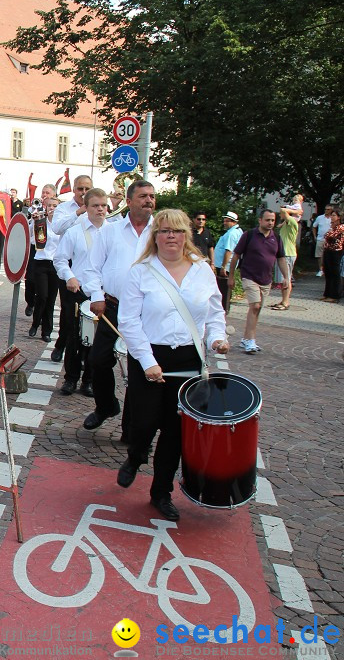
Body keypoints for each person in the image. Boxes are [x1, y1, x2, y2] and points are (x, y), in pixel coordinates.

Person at [117, 209, 229, 522]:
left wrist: (217, 338)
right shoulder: (141, 271)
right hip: (149, 355)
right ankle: (136, 455)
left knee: (175, 430)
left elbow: (214, 312)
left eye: (177, 231)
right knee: (142, 423)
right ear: (155, 237)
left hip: (188, 359)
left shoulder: (201, 270)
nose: (170, 237)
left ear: (186, 235)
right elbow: (128, 320)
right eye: (164, 231)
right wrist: (148, 361)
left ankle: (161, 491)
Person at [80, 180, 156, 431]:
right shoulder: (111, 231)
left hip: (147, 311)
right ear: (130, 201)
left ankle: (133, 427)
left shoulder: (161, 231)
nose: (149, 200)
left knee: (139, 366)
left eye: (152, 196)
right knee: (98, 360)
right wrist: (96, 296)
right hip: (113, 306)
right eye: (143, 196)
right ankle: (106, 406)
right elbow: (92, 268)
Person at [53, 188, 109, 396]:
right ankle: (71, 378)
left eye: (103, 205)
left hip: (103, 294)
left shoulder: (112, 232)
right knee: (74, 336)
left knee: (97, 341)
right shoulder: (75, 232)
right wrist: (70, 277)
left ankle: (89, 380)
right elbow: (59, 259)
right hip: (78, 291)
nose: (100, 209)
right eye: (95, 205)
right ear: (86, 207)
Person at [227, 208, 289, 353]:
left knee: (257, 309)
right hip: (249, 276)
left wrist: (286, 277)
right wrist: (231, 276)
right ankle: (250, 340)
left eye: (273, 220)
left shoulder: (276, 238)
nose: (270, 223)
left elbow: (281, 258)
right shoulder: (249, 235)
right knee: (255, 306)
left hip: (266, 279)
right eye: (267, 220)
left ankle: (246, 339)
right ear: (260, 220)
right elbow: (236, 255)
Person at [49, 175, 94, 357]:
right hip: (68, 263)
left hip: (90, 264)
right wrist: (79, 212)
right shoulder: (64, 208)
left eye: (87, 189)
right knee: (69, 312)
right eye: (80, 189)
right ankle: (61, 345)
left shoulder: (97, 208)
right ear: (74, 189)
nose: (83, 193)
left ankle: (83, 351)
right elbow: (57, 228)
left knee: (88, 312)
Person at [29, 197, 61, 343]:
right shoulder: (41, 222)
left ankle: (46, 331)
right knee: (42, 296)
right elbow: (31, 239)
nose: (52, 208)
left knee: (51, 299)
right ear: (45, 207)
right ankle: (35, 323)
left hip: (56, 264)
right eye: (50, 206)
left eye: (55, 206)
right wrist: (34, 222)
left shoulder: (63, 226)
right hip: (41, 262)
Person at [213, 211, 242, 313]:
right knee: (224, 289)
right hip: (227, 266)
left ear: (233, 222)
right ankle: (223, 308)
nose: (224, 223)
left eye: (227, 221)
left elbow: (229, 251)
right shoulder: (236, 231)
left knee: (223, 290)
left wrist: (223, 266)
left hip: (225, 266)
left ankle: (223, 310)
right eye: (224, 221)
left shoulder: (232, 234)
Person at [272, 209, 298, 310]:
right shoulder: (286, 224)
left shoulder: (292, 221)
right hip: (284, 254)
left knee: (286, 278)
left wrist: (292, 208)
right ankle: (283, 300)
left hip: (288, 254)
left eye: (283, 214)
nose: (281, 214)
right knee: (282, 280)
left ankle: (286, 302)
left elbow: (282, 210)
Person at [320, 210, 343, 302]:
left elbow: (331, 236)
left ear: (339, 217)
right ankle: (327, 294)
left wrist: (330, 231)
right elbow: (325, 236)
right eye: (331, 215)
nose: (331, 217)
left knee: (335, 273)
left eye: (334, 215)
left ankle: (335, 296)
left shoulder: (341, 227)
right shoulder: (332, 227)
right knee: (328, 272)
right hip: (328, 251)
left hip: (336, 252)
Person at [313, 204, 334, 277]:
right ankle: (321, 270)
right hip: (320, 238)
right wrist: (315, 236)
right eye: (325, 209)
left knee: (329, 254)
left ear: (331, 210)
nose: (326, 211)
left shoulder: (333, 218)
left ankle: (328, 269)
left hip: (330, 240)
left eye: (328, 209)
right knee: (319, 255)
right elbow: (314, 226)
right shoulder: (320, 218)